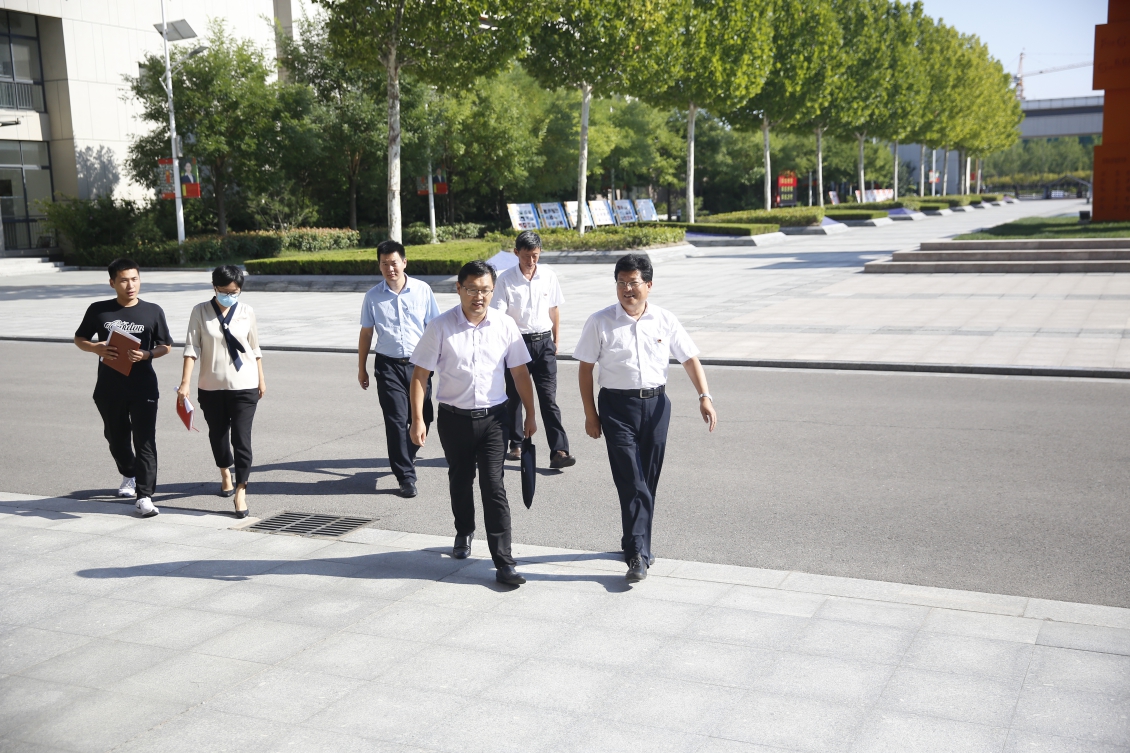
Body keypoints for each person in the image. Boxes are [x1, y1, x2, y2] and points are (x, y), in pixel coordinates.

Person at [573, 253, 718, 582]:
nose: (627, 289)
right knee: (632, 479)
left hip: (656, 406)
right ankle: (637, 554)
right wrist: (590, 414)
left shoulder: (665, 319)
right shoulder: (599, 321)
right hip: (615, 407)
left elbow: (689, 359)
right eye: (621, 283)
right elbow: (585, 369)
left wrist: (704, 396)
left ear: (649, 285)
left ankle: (634, 541)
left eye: (633, 283)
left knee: (646, 480)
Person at [408, 260, 538, 587]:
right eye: (472, 289)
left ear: (493, 291)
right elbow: (420, 375)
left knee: (494, 486)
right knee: (461, 480)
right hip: (454, 420)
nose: (479, 296)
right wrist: (418, 419)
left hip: (495, 419)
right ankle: (464, 530)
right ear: (459, 289)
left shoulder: (505, 325)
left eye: (485, 290)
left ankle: (504, 562)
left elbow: (520, 373)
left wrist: (531, 414)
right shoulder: (440, 326)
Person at [73, 258, 173, 518]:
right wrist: (95, 347)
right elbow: (79, 338)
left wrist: (147, 354)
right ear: (112, 283)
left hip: (143, 388)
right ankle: (129, 472)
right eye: (124, 280)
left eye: (135, 279)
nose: (131, 285)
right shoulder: (99, 310)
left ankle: (145, 496)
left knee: (145, 441)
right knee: (116, 439)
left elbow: (166, 345)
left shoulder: (152, 311)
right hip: (109, 388)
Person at [177, 265, 265, 519]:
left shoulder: (247, 311)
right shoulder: (200, 311)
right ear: (214, 287)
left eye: (234, 292)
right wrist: (185, 383)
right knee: (218, 434)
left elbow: (254, 348)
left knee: (241, 438)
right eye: (224, 291)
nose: (229, 296)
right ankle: (225, 472)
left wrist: (261, 379)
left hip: (245, 385)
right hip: (211, 386)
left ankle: (241, 490)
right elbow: (191, 348)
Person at [358, 240, 441, 498]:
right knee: (395, 420)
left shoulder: (422, 290)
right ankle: (405, 476)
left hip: (419, 365)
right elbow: (366, 333)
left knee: (424, 417)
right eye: (384, 264)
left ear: (404, 262)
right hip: (388, 366)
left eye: (394, 263)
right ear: (379, 266)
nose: (390, 268)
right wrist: (361, 367)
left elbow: (435, 327)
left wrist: (442, 360)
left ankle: (406, 453)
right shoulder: (372, 296)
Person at [491, 230, 576, 469]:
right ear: (516, 253)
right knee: (514, 396)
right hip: (516, 344)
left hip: (544, 343)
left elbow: (554, 309)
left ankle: (559, 450)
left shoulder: (548, 275)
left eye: (535, 255)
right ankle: (516, 443)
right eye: (526, 255)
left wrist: (556, 339)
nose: (531, 261)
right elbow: (498, 315)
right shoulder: (505, 279)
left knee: (549, 398)